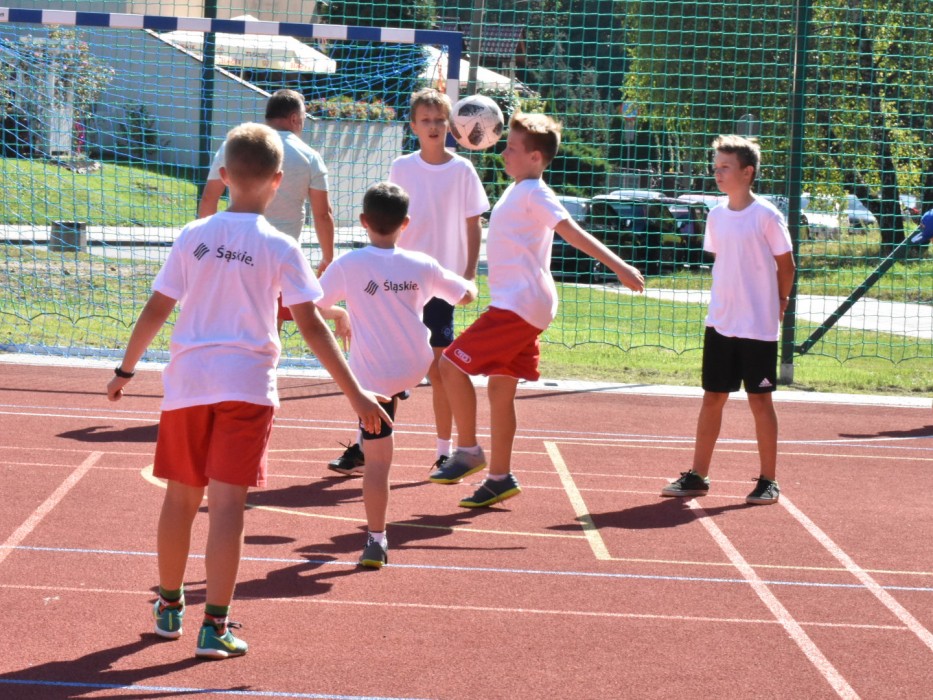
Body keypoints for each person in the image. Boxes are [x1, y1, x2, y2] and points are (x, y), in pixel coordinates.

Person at [106, 123, 389, 659]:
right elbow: (312, 326)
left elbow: (158, 308)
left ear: (223, 176)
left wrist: (126, 369)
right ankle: (215, 624)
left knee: (179, 499)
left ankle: (169, 606)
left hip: (189, 385)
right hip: (248, 388)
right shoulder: (281, 245)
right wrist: (355, 394)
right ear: (279, 182)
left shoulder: (193, 235)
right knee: (228, 506)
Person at [430, 112, 645, 507]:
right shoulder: (518, 188)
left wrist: (619, 267)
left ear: (535, 157)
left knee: (450, 365)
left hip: (520, 305)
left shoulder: (535, 192)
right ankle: (499, 477)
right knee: (500, 389)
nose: (504, 153)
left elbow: (571, 232)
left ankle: (468, 450)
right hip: (523, 303)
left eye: (512, 148)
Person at [326, 88, 489, 478]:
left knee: (440, 368)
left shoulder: (462, 170)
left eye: (439, 120)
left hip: (437, 280)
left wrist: (468, 273)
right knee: (381, 363)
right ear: (413, 125)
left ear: (450, 126)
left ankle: (444, 451)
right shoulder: (401, 167)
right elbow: (389, 214)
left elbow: (473, 224)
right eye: (425, 120)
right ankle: (365, 444)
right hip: (398, 280)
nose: (433, 126)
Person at [316, 182, 477, 567]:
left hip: (374, 378)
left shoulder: (349, 265)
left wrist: (340, 312)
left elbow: (312, 305)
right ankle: (402, 391)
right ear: (405, 223)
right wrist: (466, 279)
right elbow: (467, 296)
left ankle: (376, 541)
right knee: (403, 367)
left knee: (378, 463)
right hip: (416, 364)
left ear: (363, 221)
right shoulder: (422, 264)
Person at [661, 134, 796, 505]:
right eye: (715, 166)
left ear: (747, 172)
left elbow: (787, 266)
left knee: (760, 401)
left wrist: (780, 301)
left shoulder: (767, 215)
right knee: (713, 397)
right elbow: (725, 261)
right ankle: (697, 476)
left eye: (725, 167)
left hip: (758, 326)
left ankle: (768, 480)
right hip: (721, 321)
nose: (717, 173)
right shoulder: (716, 215)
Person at [199, 89, 335, 330]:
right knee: (271, 325)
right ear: (294, 118)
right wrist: (328, 257)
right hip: (278, 256)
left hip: (234, 249)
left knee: (229, 320)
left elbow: (210, 198)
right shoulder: (310, 156)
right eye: (304, 117)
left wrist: (207, 241)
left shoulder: (234, 146)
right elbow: (323, 214)